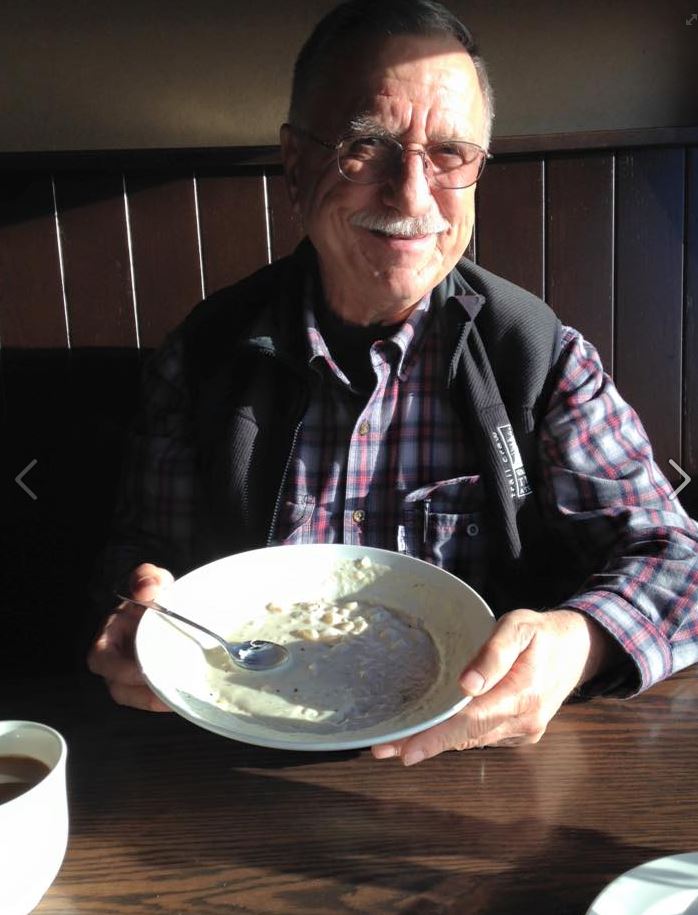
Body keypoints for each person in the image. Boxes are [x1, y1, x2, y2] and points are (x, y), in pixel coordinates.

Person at [88, 0, 698, 766]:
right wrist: (136, 617)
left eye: (450, 153)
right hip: (244, 767)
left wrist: (580, 644)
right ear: (296, 163)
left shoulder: (536, 358)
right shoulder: (206, 356)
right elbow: (141, 559)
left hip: (477, 774)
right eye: (365, 147)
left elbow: (679, 560)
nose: (411, 195)